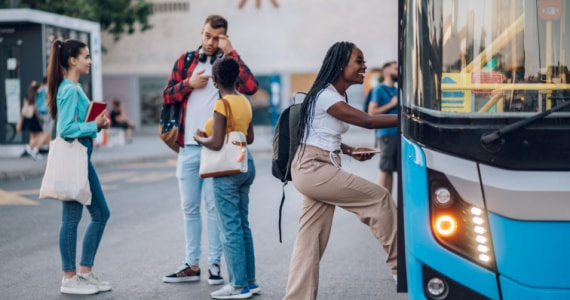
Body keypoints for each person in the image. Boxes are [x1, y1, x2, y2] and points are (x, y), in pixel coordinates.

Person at [283, 42, 399, 300]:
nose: (364, 66)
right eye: (358, 61)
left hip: (315, 165)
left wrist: (348, 150)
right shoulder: (326, 95)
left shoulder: (331, 95)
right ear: (340, 65)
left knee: (309, 242)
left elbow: (317, 134)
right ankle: (400, 269)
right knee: (379, 198)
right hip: (314, 168)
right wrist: (411, 117)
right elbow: (368, 121)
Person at [161, 14, 258, 285]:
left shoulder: (227, 65)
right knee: (189, 207)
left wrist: (232, 51)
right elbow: (166, 95)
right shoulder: (185, 61)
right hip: (188, 147)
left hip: (218, 147)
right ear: (201, 33)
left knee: (215, 208)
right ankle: (192, 264)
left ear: (224, 37)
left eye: (217, 37)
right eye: (207, 36)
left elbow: (251, 87)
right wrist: (187, 85)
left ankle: (215, 266)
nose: (211, 42)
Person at [47, 39, 112, 295]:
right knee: (72, 219)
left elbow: (78, 122)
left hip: (82, 158)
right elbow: (64, 129)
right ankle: (69, 277)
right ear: (73, 60)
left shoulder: (73, 87)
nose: (90, 61)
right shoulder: (69, 89)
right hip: (74, 159)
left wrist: (97, 122)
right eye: (86, 57)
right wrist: (94, 125)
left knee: (101, 213)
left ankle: (84, 273)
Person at [194, 57, 260, 299]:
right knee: (243, 225)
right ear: (235, 78)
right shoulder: (244, 102)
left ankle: (237, 285)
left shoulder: (221, 105)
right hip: (245, 163)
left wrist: (198, 137)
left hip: (227, 169)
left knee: (229, 228)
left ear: (214, 80)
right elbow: (249, 137)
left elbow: (216, 142)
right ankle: (250, 282)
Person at [367, 61, 399, 194]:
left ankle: (388, 203)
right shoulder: (379, 89)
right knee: (385, 169)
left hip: (398, 134)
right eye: (395, 68)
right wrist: (391, 104)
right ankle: (381, 203)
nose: (398, 70)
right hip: (386, 134)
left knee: (391, 169)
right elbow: (372, 112)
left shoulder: (397, 90)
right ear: (386, 71)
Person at [20, 80, 43, 160]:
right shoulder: (36, 96)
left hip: (27, 118)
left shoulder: (27, 96)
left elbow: (24, 106)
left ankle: (30, 148)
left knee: (32, 135)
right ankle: (29, 148)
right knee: (40, 135)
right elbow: (36, 108)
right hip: (33, 118)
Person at [36, 77, 55, 151]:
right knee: (47, 132)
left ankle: (51, 149)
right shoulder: (47, 89)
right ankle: (35, 149)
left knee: (47, 132)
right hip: (48, 112)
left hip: (40, 112)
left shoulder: (39, 89)